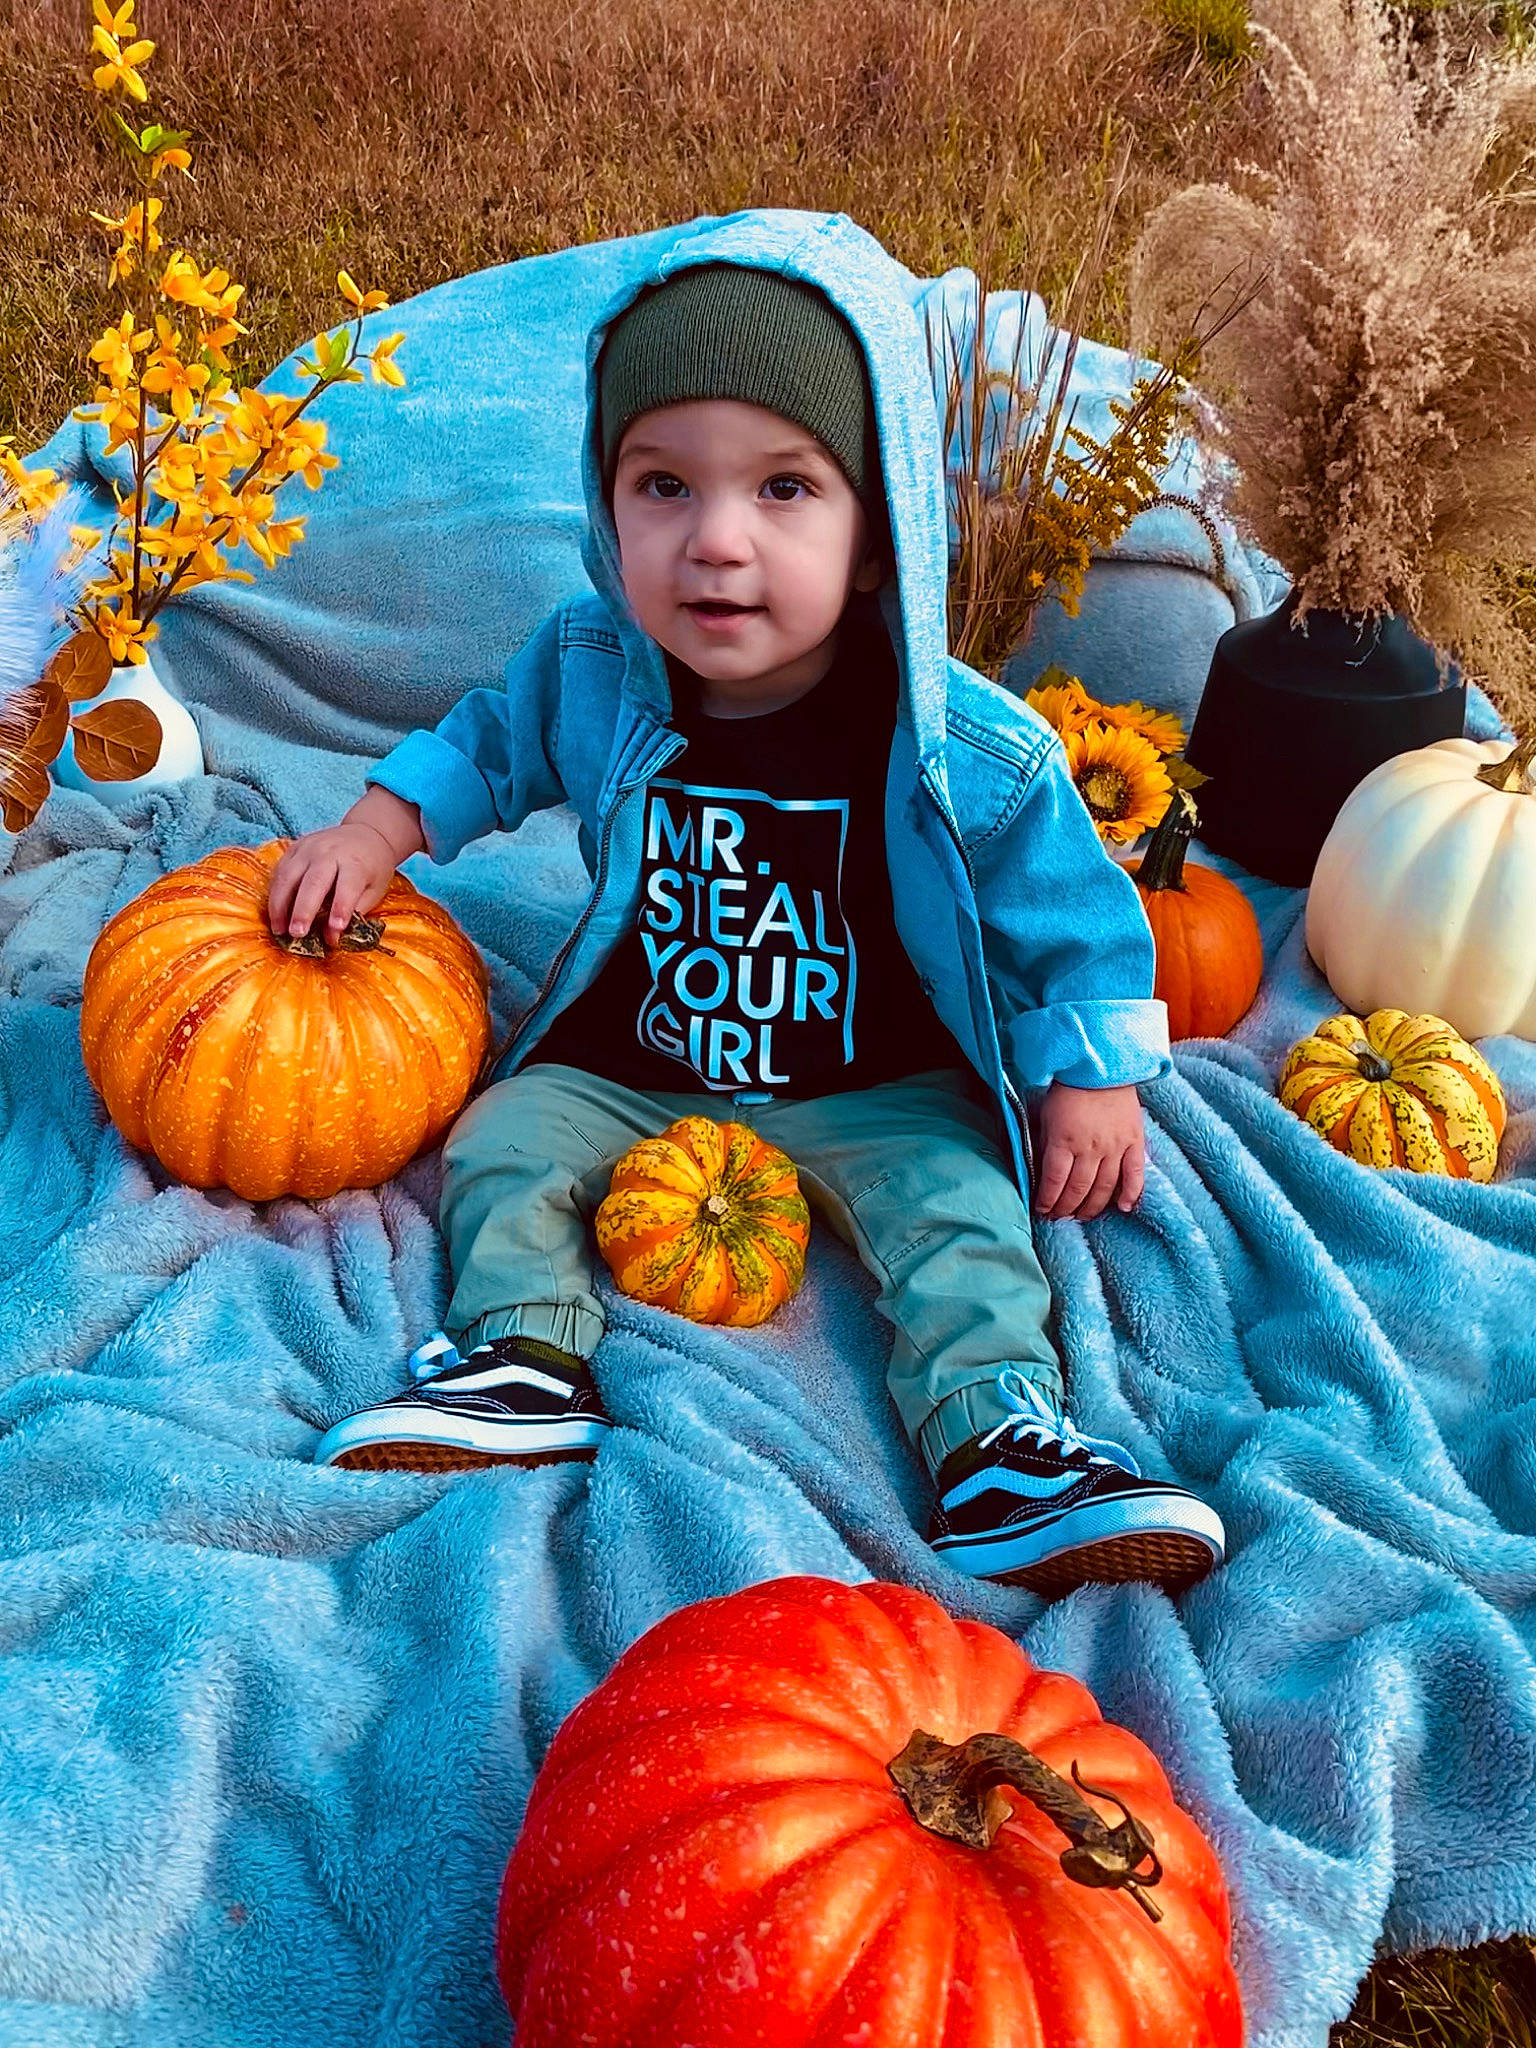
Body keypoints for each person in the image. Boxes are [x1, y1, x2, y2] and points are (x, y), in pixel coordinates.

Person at [273, 220, 1227, 1599]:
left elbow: (1064, 901)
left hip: (877, 1078)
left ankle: (1000, 1444)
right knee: (500, 1141)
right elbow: (488, 744)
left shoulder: (961, 739)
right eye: (664, 485)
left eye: (784, 490)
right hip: (639, 1053)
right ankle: (524, 1358)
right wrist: (376, 829)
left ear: (876, 531)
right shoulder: (595, 664)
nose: (716, 543)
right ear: (607, 512)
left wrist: (1090, 1075)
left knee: (961, 1216)